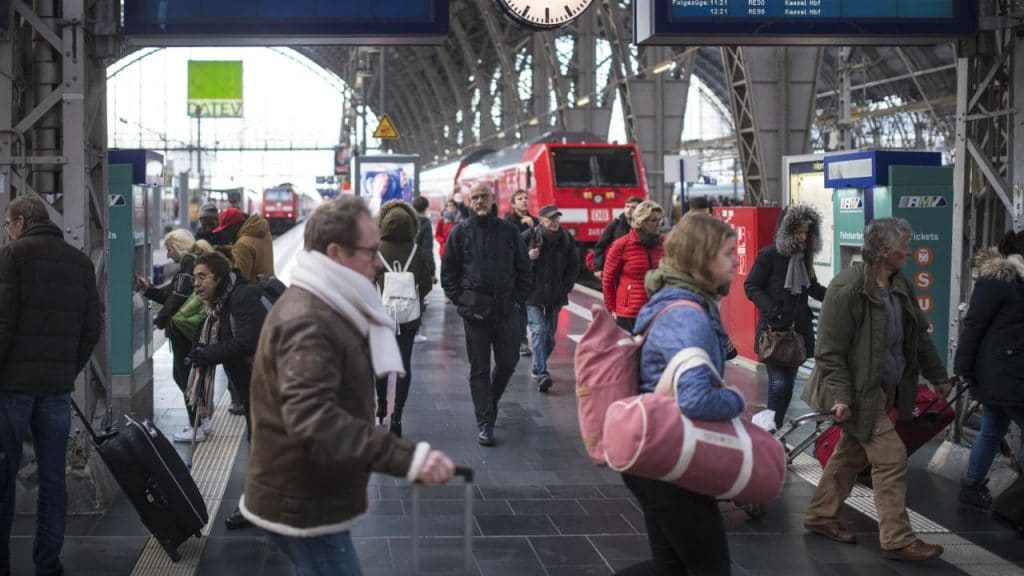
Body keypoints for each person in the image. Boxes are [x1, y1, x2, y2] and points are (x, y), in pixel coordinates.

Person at [239, 197, 455, 575]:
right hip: (303, 499)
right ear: (336, 252)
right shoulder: (309, 320)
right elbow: (313, 418)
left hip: (311, 488)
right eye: (371, 251)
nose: (378, 261)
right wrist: (407, 458)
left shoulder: (328, 299)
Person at [801, 217, 950, 562]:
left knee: (850, 453)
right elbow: (829, 352)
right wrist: (841, 397)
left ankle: (820, 515)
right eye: (904, 246)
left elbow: (918, 339)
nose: (909, 252)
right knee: (891, 456)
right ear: (884, 252)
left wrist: (938, 376)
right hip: (856, 392)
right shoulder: (847, 289)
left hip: (884, 390)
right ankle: (897, 538)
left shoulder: (899, 285)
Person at [613, 214, 744, 575]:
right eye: (728, 252)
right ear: (702, 258)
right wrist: (737, 400)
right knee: (710, 567)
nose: (736, 260)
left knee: (670, 567)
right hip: (668, 460)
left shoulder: (678, 300)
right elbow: (696, 399)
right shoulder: (687, 315)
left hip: (658, 456)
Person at [0, 196, 102, 576]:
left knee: (3, 478)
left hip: (11, 390)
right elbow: (92, 329)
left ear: (22, 221)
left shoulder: (11, 257)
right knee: (53, 479)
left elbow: (3, 325)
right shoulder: (80, 263)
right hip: (56, 390)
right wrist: (65, 370)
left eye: (9, 224)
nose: (8, 231)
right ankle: (48, 565)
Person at [441, 182, 531, 446]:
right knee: (479, 368)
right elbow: (449, 273)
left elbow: (524, 268)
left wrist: (517, 299)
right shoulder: (461, 232)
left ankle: (489, 403)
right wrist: (461, 301)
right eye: (475, 197)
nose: (480, 201)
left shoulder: (509, 232)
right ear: (469, 201)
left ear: (494, 200)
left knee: (508, 362)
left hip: (505, 310)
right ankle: (485, 423)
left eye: (484, 197)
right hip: (475, 313)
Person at [186, 251, 268, 528]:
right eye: (194, 278)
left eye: (202, 277)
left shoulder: (242, 298)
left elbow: (245, 342)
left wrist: (208, 354)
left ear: (219, 278)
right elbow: (218, 335)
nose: (196, 284)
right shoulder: (220, 304)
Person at [954, 230, 1024, 509]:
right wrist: (962, 366)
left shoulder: (1015, 281)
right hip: (1004, 373)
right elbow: (974, 325)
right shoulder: (999, 281)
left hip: (1005, 373)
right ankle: (1018, 499)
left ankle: (972, 486)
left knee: (992, 429)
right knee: (992, 429)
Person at [743, 204, 827, 430]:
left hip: (798, 332)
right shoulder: (769, 255)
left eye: (806, 232)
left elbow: (812, 288)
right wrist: (773, 310)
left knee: (788, 387)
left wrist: (836, 295)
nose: (802, 237)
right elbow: (751, 285)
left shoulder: (804, 258)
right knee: (778, 386)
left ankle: (773, 431)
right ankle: (768, 434)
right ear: (786, 232)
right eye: (798, 232)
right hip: (775, 332)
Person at [135, 229, 215, 439]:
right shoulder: (191, 264)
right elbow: (171, 296)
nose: (168, 254)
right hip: (189, 332)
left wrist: (161, 319)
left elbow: (177, 297)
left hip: (186, 333)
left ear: (178, 246)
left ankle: (196, 426)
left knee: (185, 377)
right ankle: (203, 422)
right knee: (184, 376)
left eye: (170, 249)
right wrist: (148, 290)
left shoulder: (189, 266)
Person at [374, 200, 434, 437]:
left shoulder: (374, 250)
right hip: (408, 320)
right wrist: (410, 300)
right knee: (403, 366)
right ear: (411, 224)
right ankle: (397, 416)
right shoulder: (416, 251)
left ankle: (381, 407)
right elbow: (427, 285)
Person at [523, 205, 578, 393]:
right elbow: (511, 261)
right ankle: (543, 374)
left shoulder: (565, 239)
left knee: (550, 339)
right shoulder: (528, 237)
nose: (554, 222)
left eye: (557, 218)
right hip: (532, 292)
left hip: (555, 293)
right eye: (550, 219)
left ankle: (538, 366)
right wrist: (526, 257)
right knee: (538, 330)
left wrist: (567, 286)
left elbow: (573, 264)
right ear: (541, 220)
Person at [602, 201, 666, 332]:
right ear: (641, 221)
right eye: (653, 220)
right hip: (629, 314)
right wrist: (612, 309)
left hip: (659, 310)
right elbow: (608, 279)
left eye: (659, 220)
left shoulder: (664, 243)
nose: (658, 224)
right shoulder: (622, 245)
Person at [505, 190, 538, 356]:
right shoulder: (508, 222)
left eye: (526, 198)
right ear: (513, 204)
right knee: (519, 308)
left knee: (527, 308)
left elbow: (543, 240)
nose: (524, 201)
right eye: (520, 199)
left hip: (533, 273)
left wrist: (534, 226)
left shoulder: (535, 221)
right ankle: (521, 341)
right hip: (514, 273)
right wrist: (530, 229)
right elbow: (510, 244)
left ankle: (524, 339)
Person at [591, 195, 642, 279]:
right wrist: (598, 268)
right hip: (618, 269)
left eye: (633, 208)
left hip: (638, 268)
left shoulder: (644, 227)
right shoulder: (615, 225)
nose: (629, 210)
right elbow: (600, 246)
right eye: (627, 206)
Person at [228, 211, 275, 283]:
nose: (225, 233)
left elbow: (240, 279)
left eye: (226, 229)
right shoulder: (265, 233)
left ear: (235, 226)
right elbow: (256, 250)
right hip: (269, 287)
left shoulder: (241, 244)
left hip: (252, 291)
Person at [411, 196, 436, 279]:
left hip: (402, 264)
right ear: (425, 208)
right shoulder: (425, 222)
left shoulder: (406, 218)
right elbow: (427, 249)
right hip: (418, 265)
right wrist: (431, 271)